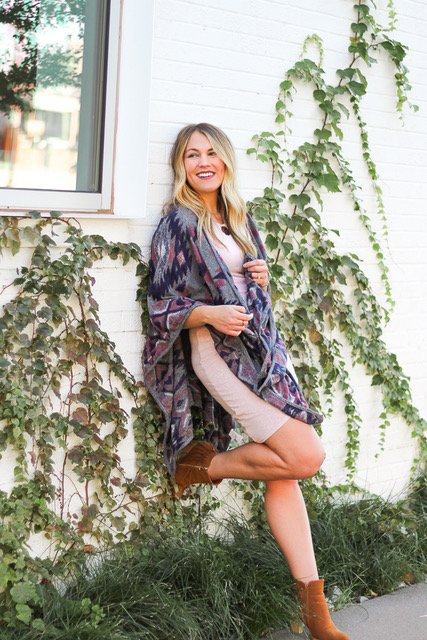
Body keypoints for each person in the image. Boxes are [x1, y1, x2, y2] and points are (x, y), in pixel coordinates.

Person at [143, 123, 349, 640]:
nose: (203, 161)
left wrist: (259, 281)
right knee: (306, 456)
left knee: (285, 471)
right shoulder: (178, 225)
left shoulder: (237, 219)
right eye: (192, 155)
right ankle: (206, 464)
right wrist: (208, 312)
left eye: (211, 152)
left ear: (226, 160)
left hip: (264, 356)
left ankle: (315, 614)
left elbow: (251, 295)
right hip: (221, 358)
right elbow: (160, 307)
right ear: (181, 166)